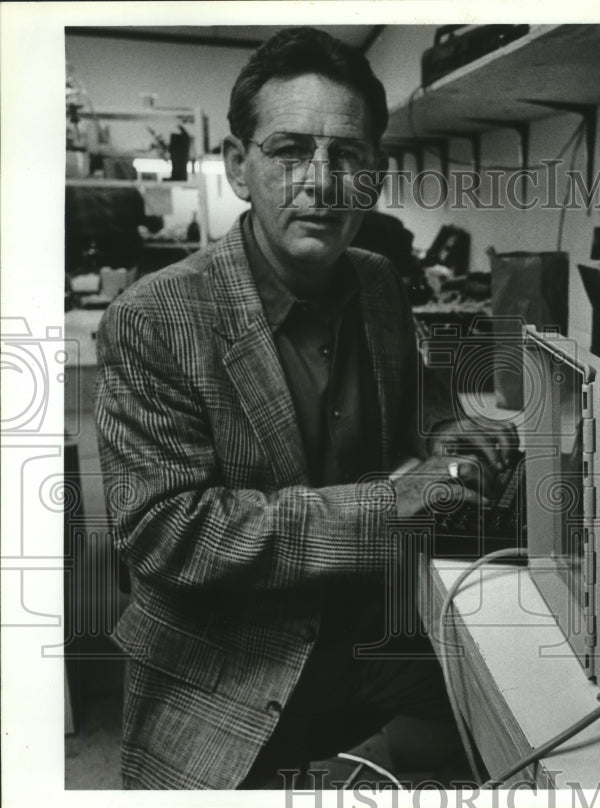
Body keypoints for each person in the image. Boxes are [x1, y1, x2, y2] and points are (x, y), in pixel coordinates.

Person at [94, 27, 514, 790]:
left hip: (367, 635)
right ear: (239, 167)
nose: (320, 182)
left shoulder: (380, 282)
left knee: (524, 730)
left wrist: (460, 433)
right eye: (290, 151)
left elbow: (425, 410)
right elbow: (166, 535)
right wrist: (393, 505)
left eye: (347, 156)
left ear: (373, 175)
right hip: (228, 668)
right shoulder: (155, 317)